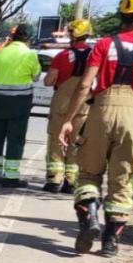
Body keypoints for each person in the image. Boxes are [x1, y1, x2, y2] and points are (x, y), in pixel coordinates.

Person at [59, 0, 133, 256]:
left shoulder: (104, 44)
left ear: (122, 15)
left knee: (88, 174)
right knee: (122, 180)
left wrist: (68, 120)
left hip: (101, 112)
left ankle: (90, 216)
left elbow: (84, 86)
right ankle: (110, 242)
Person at [0, 24, 41, 188]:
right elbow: (36, 76)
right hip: (19, 102)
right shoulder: (29, 54)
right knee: (15, 140)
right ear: (28, 38)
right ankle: (10, 177)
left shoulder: (1, 52)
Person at [42, 19, 93, 193]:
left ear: (71, 35)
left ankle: (54, 180)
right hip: (84, 106)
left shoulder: (62, 56)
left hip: (61, 105)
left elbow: (49, 81)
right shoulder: (95, 55)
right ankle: (71, 181)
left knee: (56, 140)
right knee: (76, 144)